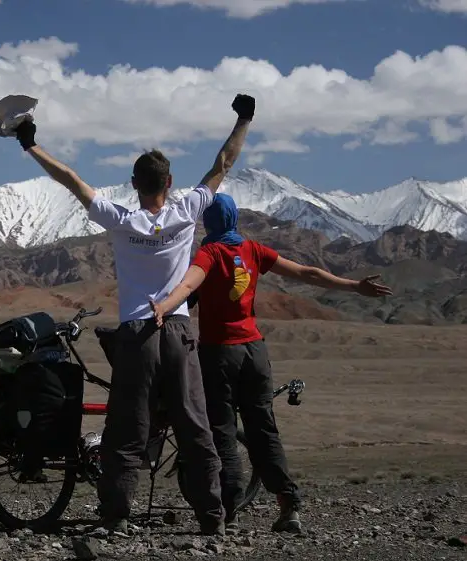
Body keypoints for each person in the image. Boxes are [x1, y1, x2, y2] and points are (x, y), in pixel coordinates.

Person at [3, 93, 257, 536]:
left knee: (127, 429)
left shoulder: (121, 219)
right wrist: (244, 120)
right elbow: (223, 164)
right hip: (178, 330)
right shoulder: (188, 209)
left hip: (137, 335)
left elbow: (71, 179)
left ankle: (116, 516)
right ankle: (212, 518)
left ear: (134, 184)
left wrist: (29, 144)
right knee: (194, 424)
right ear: (170, 182)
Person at [149, 192, 393, 534]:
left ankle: (228, 512)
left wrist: (164, 305)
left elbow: (189, 283)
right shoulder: (252, 250)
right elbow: (306, 272)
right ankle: (288, 504)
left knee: (223, 432)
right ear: (233, 218)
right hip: (255, 353)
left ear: (209, 222)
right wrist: (353, 285)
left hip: (220, 355)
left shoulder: (211, 252)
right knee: (264, 430)